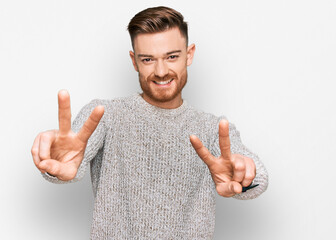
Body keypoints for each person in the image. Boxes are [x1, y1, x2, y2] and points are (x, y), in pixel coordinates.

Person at [31, 6, 268, 239]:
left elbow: (258, 180)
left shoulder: (213, 128)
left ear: (190, 54)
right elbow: (68, 164)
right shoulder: (104, 115)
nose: (161, 71)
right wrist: (56, 161)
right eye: (148, 59)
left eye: (172, 56)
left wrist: (243, 176)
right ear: (134, 62)